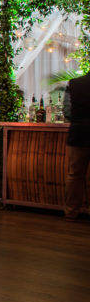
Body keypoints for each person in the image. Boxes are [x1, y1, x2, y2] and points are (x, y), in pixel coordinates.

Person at [63, 73, 90, 220]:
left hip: (78, 133)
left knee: (74, 175)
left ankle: (71, 211)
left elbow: (67, 111)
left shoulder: (74, 83)